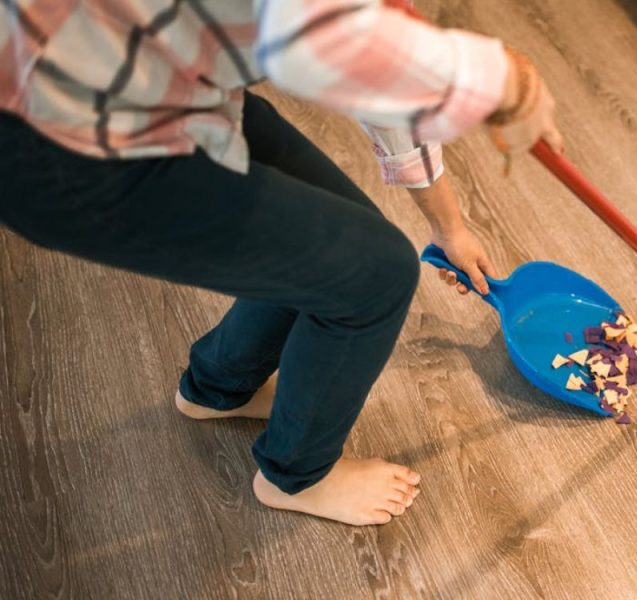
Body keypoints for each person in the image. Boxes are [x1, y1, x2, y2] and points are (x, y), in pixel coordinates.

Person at [0, 0, 563, 526]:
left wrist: (450, 228)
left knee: (344, 234)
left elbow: (372, 65)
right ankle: (297, 477)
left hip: (163, 77)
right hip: (71, 143)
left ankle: (219, 387)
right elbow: (319, 42)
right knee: (377, 276)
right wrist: (506, 81)